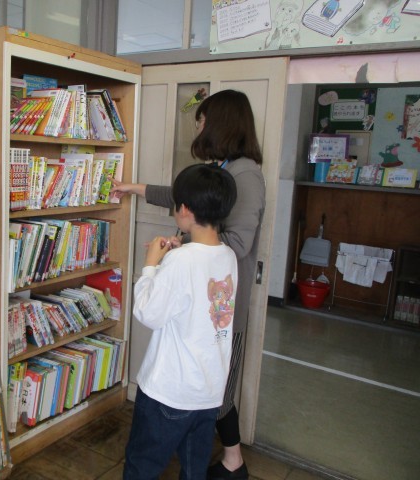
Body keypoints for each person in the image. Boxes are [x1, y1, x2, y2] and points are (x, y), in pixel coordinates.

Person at [113, 89, 266, 480]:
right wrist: (134, 188)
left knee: (149, 456)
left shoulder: (245, 174)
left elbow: (236, 241)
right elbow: (188, 199)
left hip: (211, 319)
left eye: (202, 120)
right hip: (200, 375)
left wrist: (168, 256)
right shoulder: (222, 170)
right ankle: (230, 461)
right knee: (198, 440)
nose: (198, 127)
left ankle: (234, 462)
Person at [123, 163, 238, 479]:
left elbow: (149, 312)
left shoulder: (180, 260)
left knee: (142, 465)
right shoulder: (227, 255)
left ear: (184, 209)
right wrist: (175, 255)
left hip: (169, 391)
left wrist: (151, 265)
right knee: (193, 468)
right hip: (208, 391)